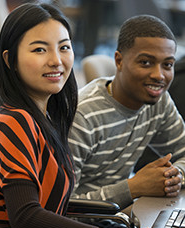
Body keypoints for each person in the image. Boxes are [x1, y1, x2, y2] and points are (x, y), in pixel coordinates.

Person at [0, 4, 177, 228]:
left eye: (64, 47)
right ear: (10, 59)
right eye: (40, 49)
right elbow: (26, 217)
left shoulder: (48, 117)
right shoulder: (14, 122)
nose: (56, 61)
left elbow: (57, 204)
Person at [68, 14, 185, 210]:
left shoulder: (159, 101)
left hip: (121, 215)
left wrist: (174, 176)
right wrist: (133, 187)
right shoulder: (82, 117)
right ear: (119, 61)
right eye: (146, 63)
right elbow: (61, 207)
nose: (159, 75)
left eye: (168, 65)